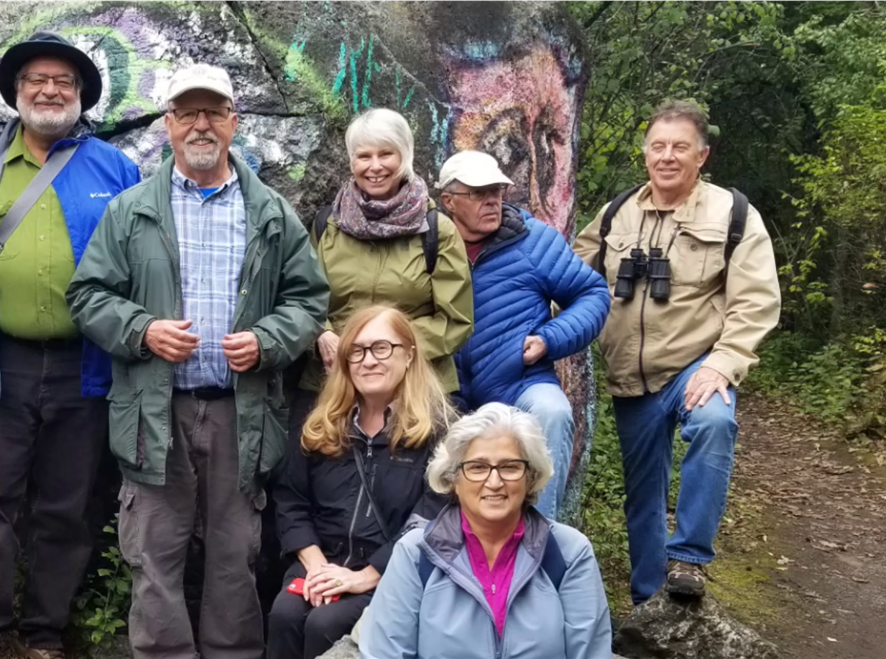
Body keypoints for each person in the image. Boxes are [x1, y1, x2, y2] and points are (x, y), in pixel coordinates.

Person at [68, 63, 328, 659]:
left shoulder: (272, 213)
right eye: (188, 113)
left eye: (214, 112)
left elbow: (309, 300)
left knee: (237, 554)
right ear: (169, 125)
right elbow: (87, 296)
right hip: (154, 411)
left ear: (234, 123)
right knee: (153, 552)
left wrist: (268, 340)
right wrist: (143, 331)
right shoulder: (131, 210)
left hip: (243, 411)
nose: (201, 124)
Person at [0, 32, 142, 659]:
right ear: (18, 93)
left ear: (80, 96)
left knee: (67, 507)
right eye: (36, 81)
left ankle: (45, 631)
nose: (50, 90)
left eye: (64, 83)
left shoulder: (116, 168)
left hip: (88, 366)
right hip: (0, 362)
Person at [571, 99, 780, 604]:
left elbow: (756, 300)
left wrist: (724, 363)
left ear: (701, 155)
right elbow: (572, 277)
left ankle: (689, 557)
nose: (667, 156)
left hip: (696, 365)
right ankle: (649, 601)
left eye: (680, 147)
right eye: (658, 146)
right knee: (643, 496)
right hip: (630, 375)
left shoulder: (732, 214)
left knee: (714, 424)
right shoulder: (616, 213)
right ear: (645, 154)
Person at [357, 403, 613, 659]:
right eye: (477, 467)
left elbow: (591, 654)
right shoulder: (416, 553)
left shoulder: (569, 553)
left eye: (510, 467)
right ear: (453, 479)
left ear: (531, 477)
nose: (494, 482)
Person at [268, 307, 451, 659]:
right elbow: (290, 499)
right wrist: (318, 566)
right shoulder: (321, 423)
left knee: (326, 624)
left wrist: (367, 576)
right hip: (322, 559)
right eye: (357, 350)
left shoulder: (437, 430)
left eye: (382, 348)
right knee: (285, 615)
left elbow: (431, 520)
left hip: (392, 571)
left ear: (409, 353)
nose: (368, 360)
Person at [441, 150, 608, 520]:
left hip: (518, 381)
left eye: (498, 191)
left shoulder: (533, 242)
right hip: (442, 385)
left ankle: (539, 539)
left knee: (553, 411)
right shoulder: (428, 243)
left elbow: (593, 294)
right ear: (449, 201)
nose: (492, 201)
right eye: (479, 193)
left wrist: (550, 338)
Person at [300, 109, 473, 406]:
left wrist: (386, 350)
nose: (375, 166)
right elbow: (304, 297)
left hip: (415, 385)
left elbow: (455, 321)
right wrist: (324, 334)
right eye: (364, 156)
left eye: (386, 154)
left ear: (404, 156)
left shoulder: (435, 230)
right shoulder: (327, 225)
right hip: (332, 382)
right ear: (351, 161)